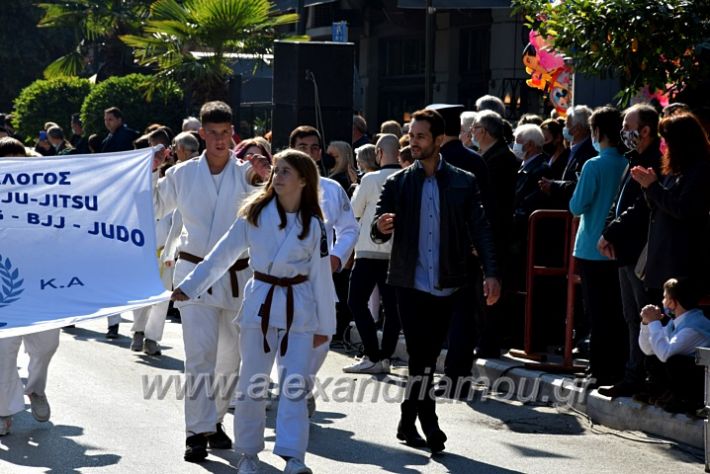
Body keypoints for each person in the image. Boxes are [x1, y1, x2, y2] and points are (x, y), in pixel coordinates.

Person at [172, 149, 335, 474]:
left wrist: (325, 325)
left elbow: (321, 277)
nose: (277, 176)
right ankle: (248, 453)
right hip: (261, 303)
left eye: (285, 171)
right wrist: (189, 287)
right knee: (253, 384)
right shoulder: (254, 215)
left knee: (294, 386)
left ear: (304, 179)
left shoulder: (314, 223)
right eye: (275, 171)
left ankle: (293, 456)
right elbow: (220, 257)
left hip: (299, 307)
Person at [372, 108, 500, 453]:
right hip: (409, 283)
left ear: (439, 140)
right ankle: (430, 424)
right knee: (420, 355)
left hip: (447, 282)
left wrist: (492, 273)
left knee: (426, 356)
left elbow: (481, 229)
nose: (413, 142)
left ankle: (405, 418)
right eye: (410, 136)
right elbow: (376, 226)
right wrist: (380, 226)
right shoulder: (397, 182)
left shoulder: (463, 181)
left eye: (420, 136)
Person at [154, 101, 270, 463]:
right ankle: (195, 432)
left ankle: (215, 420)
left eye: (226, 134)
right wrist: (151, 171)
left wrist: (267, 175)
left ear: (232, 133)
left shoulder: (247, 173)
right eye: (213, 134)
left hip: (238, 276)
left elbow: (277, 202)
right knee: (199, 355)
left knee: (229, 360)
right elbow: (153, 208)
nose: (220, 141)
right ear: (202, 134)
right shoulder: (182, 174)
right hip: (193, 275)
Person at [597, 104, 662, 399]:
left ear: (646, 130)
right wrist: (608, 231)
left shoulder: (655, 161)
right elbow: (619, 202)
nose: (624, 132)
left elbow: (640, 207)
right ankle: (633, 374)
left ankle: (647, 377)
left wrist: (612, 231)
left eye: (629, 126)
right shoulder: (631, 159)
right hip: (623, 250)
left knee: (645, 314)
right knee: (630, 315)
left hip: (641, 251)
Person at [0, 143, 60, 436]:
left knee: (47, 344)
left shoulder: (43, 201)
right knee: (3, 351)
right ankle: (3, 409)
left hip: (39, 286)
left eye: (17, 163)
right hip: (4, 287)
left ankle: (35, 388)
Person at [569, 106, 629, 387]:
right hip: (619, 248)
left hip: (591, 246)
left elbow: (576, 205)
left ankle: (599, 369)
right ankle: (615, 367)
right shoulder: (627, 163)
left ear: (597, 132)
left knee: (596, 312)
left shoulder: (594, 165)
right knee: (617, 312)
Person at [629, 112, 710, 296]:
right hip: (663, 262)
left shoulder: (700, 171)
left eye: (666, 140)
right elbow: (659, 207)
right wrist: (647, 186)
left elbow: (683, 209)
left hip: (681, 263)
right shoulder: (675, 170)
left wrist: (653, 186)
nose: (663, 145)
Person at [343, 134, 401, 374]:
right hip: (397, 253)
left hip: (369, 250)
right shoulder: (408, 177)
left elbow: (354, 210)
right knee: (392, 308)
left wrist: (358, 185)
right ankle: (384, 357)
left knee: (356, 301)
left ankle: (372, 354)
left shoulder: (371, 179)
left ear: (378, 152)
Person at [639, 278, 710, 413]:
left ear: (673, 302)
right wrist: (647, 324)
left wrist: (654, 322)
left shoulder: (693, 326)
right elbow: (649, 350)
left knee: (674, 361)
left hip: (702, 378)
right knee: (652, 359)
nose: (663, 302)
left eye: (665, 298)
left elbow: (665, 354)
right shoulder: (676, 322)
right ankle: (666, 394)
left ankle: (688, 400)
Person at [539, 105, 596, 208]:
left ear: (577, 128)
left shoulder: (589, 153)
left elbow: (579, 186)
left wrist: (554, 186)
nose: (564, 128)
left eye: (567, 124)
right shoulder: (571, 150)